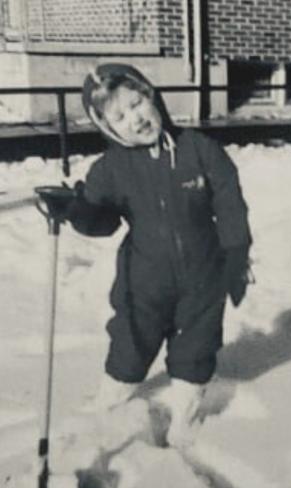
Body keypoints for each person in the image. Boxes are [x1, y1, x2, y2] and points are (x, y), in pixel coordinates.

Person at [62, 63, 252, 446]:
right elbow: (102, 221)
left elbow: (230, 204)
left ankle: (186, 411)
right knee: (131, 338)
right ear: (108, 127)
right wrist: (76, 209)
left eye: (137, 103)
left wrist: (235, 254)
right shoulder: (111, 168)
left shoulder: (199, 150)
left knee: (197, 345)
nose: (135, 118)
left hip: (204, 275)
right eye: (120, 115)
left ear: (153, 97)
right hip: (144, 279)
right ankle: (112, 398)